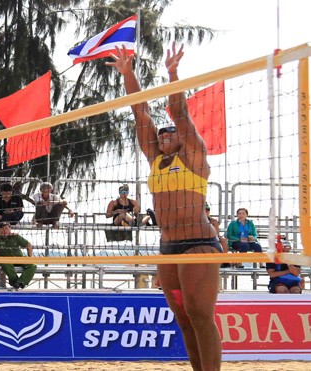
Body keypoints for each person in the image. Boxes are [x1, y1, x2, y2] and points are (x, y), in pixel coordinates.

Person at [108, 43, 223, 370]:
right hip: (168, 246)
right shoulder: (156, 160)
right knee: (184, 319)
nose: (163, 134)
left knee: (201, 315)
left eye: (169, 132)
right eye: (160, 134)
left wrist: (172, 74)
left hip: (199, 244)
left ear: (182, 138)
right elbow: (139, 110)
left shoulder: (194, 159)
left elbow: (180, 115)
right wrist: (128, 75)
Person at [0, 223, 37, 290]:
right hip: (6, 260)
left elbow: (28, 245)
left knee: (32, 265)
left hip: (19, 259)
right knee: (5, 263)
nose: (4, 231)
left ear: (10, 229)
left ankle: (22, 282)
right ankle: (14, 281)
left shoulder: (15, 236)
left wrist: (30, 258)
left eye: (6, 228)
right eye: (2, 229)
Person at [205, 203, 230, 268]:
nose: (206, 212)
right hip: (199, 240)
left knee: (223, 240)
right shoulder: (195, 221)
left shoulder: (213, 221)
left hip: (212, 239)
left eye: (207, 210)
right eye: (204, 210)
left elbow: (216, 234)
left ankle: (224, 261)